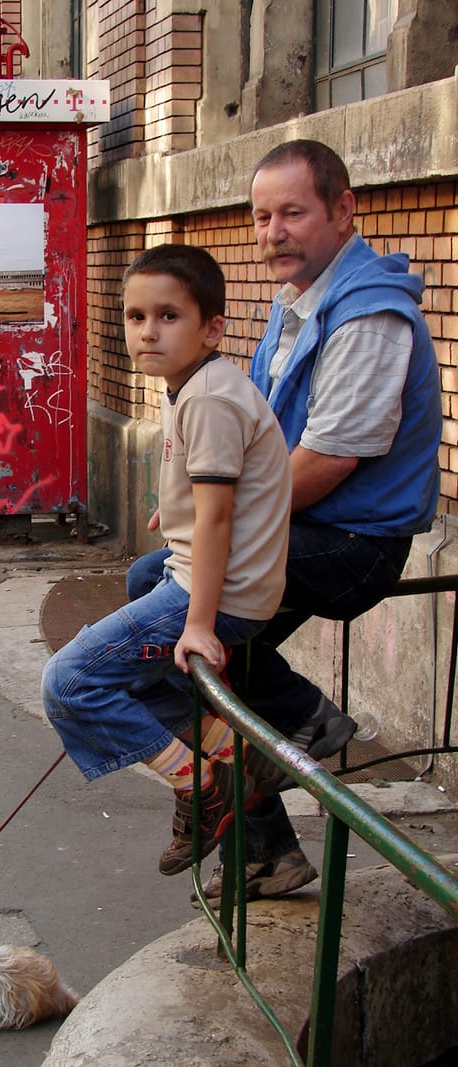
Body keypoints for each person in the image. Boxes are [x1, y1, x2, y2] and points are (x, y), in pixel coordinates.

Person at [138, 139, 442, 902]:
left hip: (353, 543)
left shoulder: (369, 317)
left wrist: (215, 515)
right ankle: (271, 843)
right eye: (260, 215)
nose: (271, 231)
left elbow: (328, 460)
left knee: (163, 607)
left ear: (343, 211)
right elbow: (261, 431)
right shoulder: (297, 301)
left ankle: (302, 722)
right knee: (186, 638)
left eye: (292, 212)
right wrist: (193, 503)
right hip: (304, 528)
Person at [42, 244, 292, 864]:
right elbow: (207, 494)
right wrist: (172, 507)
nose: (147, 332)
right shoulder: (190, 384)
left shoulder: (207, 397)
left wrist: (199, 625)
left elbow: (217, 517)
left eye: (168, 316)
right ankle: (233, 752)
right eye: (134, 317)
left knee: (69, 683)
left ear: (212, 327)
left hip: (219, 593)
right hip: (218, 579)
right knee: (136, 597)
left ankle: (201, 785)